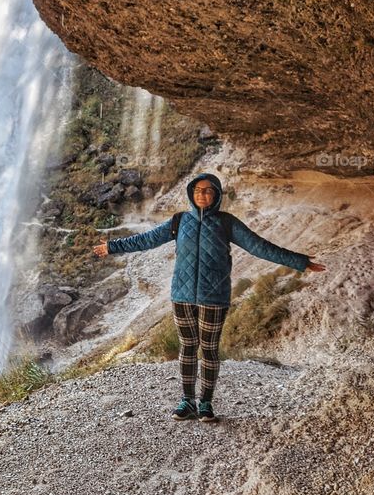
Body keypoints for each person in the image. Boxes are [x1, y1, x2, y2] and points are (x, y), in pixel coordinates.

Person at [91, 172, 325, 422]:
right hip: (182, 296)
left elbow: (260, 246)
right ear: (191, 194)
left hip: (214, 298)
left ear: (216, 194)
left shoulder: (227, 223)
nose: (202, 194)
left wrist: (300, 262)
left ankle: (205, 403)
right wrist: (113, 246)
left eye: (208, 190)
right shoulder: (179, 221)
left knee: (210, 350)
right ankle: (187, 401)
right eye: (198, 190)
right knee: (188, 349)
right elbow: (146, 240)